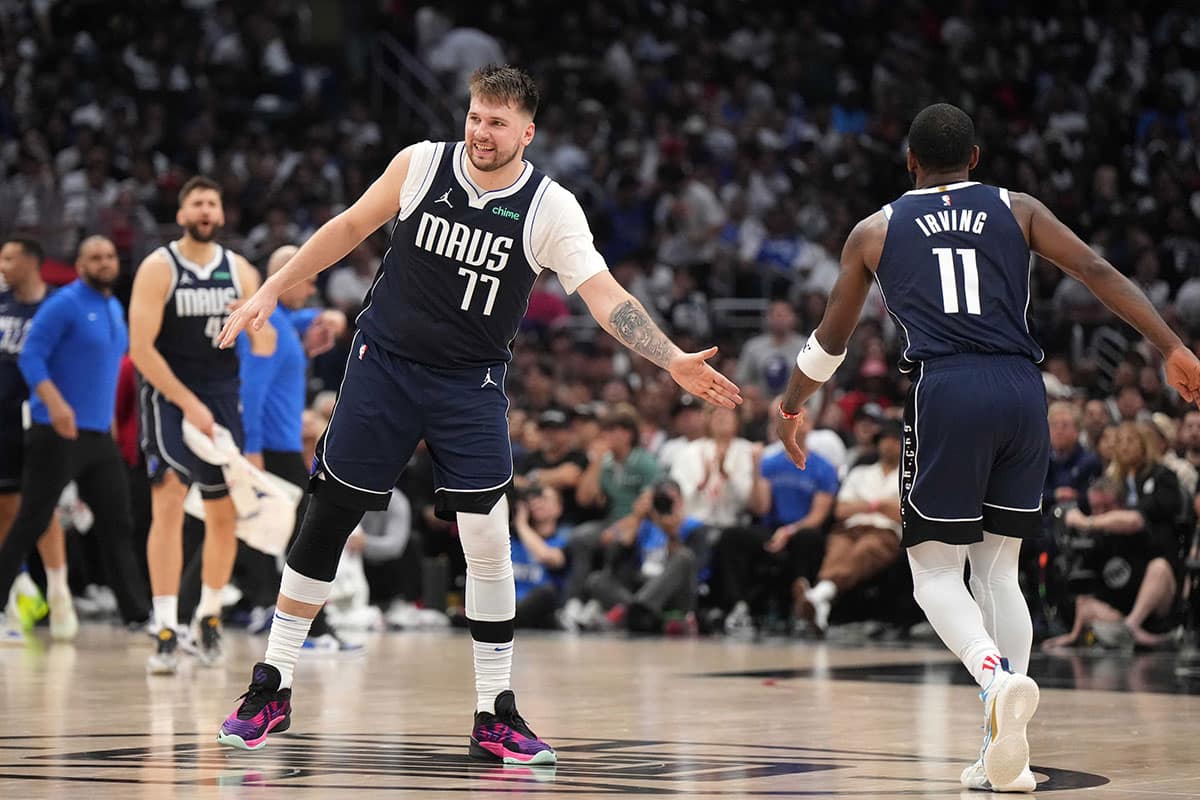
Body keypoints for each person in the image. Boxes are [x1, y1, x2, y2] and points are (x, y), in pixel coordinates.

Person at [211, 65, 740, 761]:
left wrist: (668, 356)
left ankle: (495, 711)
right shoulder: (422, 165)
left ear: (527, 131)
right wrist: (273, 289)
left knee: (487, 539)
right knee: (329, 515)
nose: (480, 132)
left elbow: (603, 292)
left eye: (496, 122)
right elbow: (347, 226)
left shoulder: (549, 207)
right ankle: (272, 685)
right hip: (385, 367)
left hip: (468, 382)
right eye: (475, 116)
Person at [775, 103, 1200, 793]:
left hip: (948, 388)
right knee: (998, 571)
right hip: (1023, 388)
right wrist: (1174, 348)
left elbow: (831, 341)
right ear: (975, 158)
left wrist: (792, 403)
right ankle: (1010, 754)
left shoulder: (875, 230)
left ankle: (994, 678)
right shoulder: (1018, 206)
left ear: (910, 162)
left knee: (935, 574)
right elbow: (1095, 269)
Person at [129, 176, 275, 674]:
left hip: (222, 396)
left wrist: (258, 320)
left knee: (223, 511)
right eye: (198, 203)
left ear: (222, 213)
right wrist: (187, 403)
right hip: (168, 393)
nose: (206, 210)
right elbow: (141, 350)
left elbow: (266, 346)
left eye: (213, 202)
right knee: (168, 496)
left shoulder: (240, 270)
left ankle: (208, 617)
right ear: (182, 211)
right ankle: (166, 625)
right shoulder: (158, 267)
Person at [0, 236, 152, 640]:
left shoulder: (113, 307)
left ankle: (136, 613)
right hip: (56, 430)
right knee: (30, 520)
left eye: (108, 257)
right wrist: (57, 404)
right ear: (80, 264)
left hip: (99, 436)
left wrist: (112, 428)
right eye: (94, 258)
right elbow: (31, 357)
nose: (104, 263)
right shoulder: (63, 304)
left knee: (117, 523)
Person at [0, 236, 76, 641]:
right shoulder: (1, 301)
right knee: (7, 506)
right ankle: (20, 591)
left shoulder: (59, 304)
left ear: (31, 262)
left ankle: (59, 590)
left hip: (44, 419)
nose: (3, 265)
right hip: (4, 419)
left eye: (9, 258)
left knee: (41, 508)